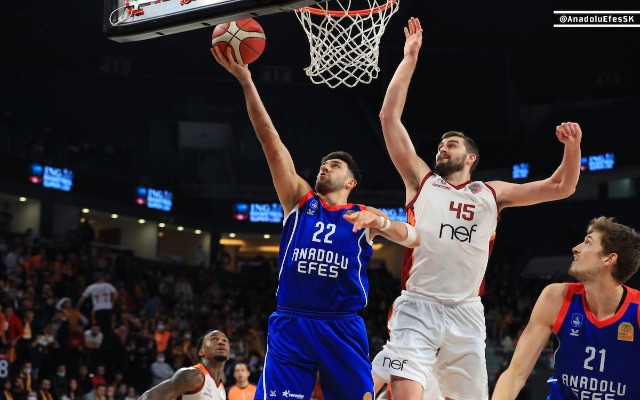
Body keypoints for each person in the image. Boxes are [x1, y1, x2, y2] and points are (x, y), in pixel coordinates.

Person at [371, 17, 583, 400]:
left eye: (451, 144)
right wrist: (409, 59)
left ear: (470, 157)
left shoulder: (491, 193)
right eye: (440, 144)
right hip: (418, 306)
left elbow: (561, 187)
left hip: (466, 313)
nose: (442, 148)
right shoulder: (421, 180)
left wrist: (572, 148)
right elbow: (389, 118)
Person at [212, 46, 421, 400]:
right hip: (292, 322)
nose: (325, 167)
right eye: (324, 164)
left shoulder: (363, 213)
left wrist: (381, 222)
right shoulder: (299, 201)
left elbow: (413, 238)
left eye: (334, 166)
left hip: (341, 326)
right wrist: (247, 81)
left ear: (351, 181)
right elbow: (270, 140)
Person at [493, 217, 640, 399]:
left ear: (609, 259)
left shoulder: (636, 309)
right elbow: (515, 374)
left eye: (587, 243)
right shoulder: (556, 297)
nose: (576, 248)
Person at [138, 330, 230, 400]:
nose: (221, 342)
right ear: (201, 352)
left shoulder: (221, 389)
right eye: (214, 339)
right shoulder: (193, 375)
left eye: (225, 340)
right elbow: (147, 397)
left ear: (228, 354)